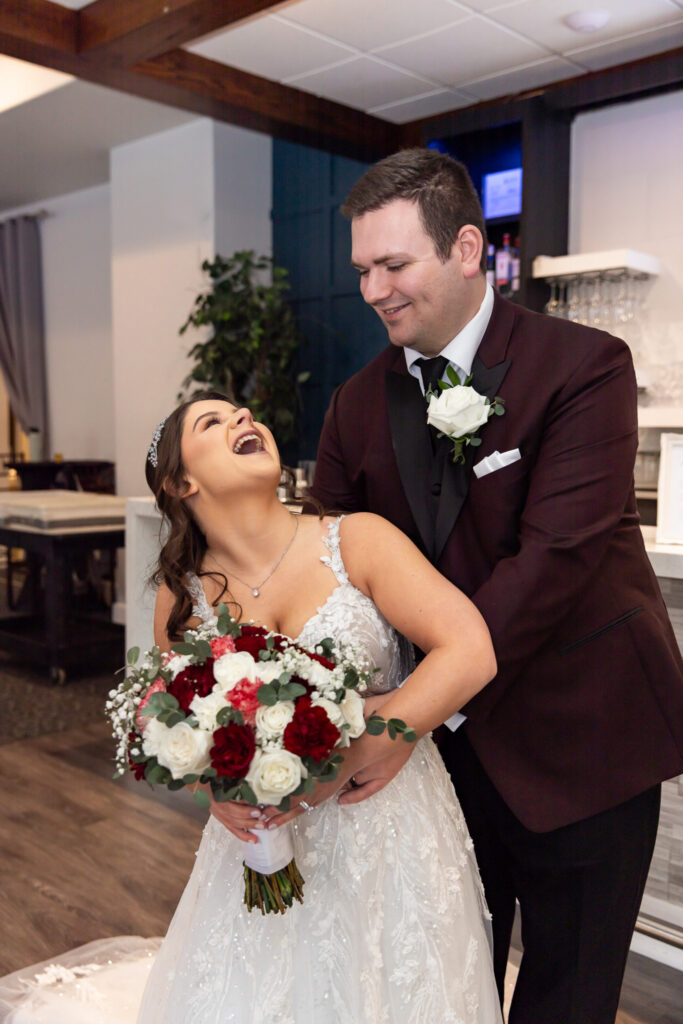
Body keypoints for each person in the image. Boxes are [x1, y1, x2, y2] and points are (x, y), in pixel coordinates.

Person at [310, 147, 683, 1024]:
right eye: (363, 269)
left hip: (585, 737)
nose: (373, 291)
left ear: (468, 249)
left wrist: (412, 711)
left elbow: (553, 560)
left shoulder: (587, 365)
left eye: (394, 265)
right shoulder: (352, 406)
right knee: (449, 982)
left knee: (569, 992)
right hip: (440, 769)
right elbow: (331, 568)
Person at [0, 390, 503, 1024]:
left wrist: (370, 744)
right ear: (183, 482)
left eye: (242, 412)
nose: (244, 418)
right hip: (267, 839)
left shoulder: (358, 540)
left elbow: (469, 650)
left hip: (387, 821)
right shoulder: (182, 602)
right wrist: (216, 788)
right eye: (213, 421)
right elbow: (184, 726)